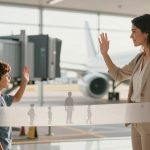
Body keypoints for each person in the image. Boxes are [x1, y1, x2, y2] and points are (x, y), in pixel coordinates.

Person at [98, 14, 150, 150]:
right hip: (136, 118)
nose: (131, 36)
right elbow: (118, 75)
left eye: (134, 32)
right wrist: (105, 54)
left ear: (146, 33)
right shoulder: (139, 59)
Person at [0, 61, 29, 150]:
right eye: (6, 75)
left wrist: (25, 82)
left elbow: (17, 98)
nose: (9, 77)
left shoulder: (2, 97)